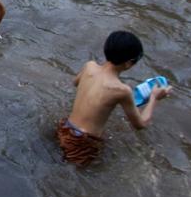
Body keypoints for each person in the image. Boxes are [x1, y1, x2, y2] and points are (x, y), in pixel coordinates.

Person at [57, 31, 170, 166]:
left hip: (64, 128)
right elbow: (140, 124)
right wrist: (154, 98)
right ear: (128, 63)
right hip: (82, 143)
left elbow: (76, 83)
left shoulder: (89, 66)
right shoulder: (122, 90)